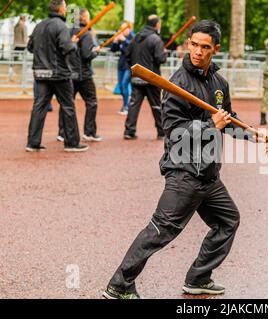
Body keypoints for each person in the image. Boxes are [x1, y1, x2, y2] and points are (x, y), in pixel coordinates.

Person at [103, 20, 258, 299]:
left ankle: (199, 277)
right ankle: (119, 284)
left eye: (205, 47)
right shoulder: (177, 83)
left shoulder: (219, 83)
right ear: (189, 43)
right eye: (194, 44)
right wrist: (211, 124)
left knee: (227, 221)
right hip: (184, 171)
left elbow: (228, 120)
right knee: (160, 231)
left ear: (216, 49)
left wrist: (253, 136)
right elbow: (174, 132)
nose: (198, 51)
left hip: (209, 174)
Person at [26, 0, 88, 153]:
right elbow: (67, 48)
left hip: (41, 73)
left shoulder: (39, 25)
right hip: (59, 74)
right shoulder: (61, 26)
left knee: (38, 107)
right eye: (65, 7)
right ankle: (72, 143)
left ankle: (32, 143)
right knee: (68, 106)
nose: (66, 10)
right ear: (61, 9)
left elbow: (30, 47)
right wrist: (73, 43)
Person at [57, 8, 102, 143]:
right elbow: (86, 55)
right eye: (88, 15)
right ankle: (89, 132)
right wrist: (96, 51)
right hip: (83, 75)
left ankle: (62, 132)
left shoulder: (68, 31)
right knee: (91, 102)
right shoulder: (86, 34)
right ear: (84, 17)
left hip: (69, 73)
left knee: (67, 103)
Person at [123, 15, 167, 140]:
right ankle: (161, 131)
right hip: (151, 79)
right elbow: (161, 59)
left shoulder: (136, 37)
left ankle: (129, 131)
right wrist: (164, 53)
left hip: (136, 77)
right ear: (157, 25)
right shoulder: (156, 39)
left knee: (134, 105)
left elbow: (127, 54)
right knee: (157, 105)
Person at [111, 21, 135, 115]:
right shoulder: (121, 38)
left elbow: (130, 50)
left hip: (129, 66)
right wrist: (115, 41)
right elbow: (113, 50)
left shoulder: (132, 38)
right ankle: (126, 104)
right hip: (121, 64)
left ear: (129, 28)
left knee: (125, 84)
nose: (123, 31)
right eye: (122, 29)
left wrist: (124, 40)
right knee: (121, 86)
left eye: (125, 29)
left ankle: (126, 106)